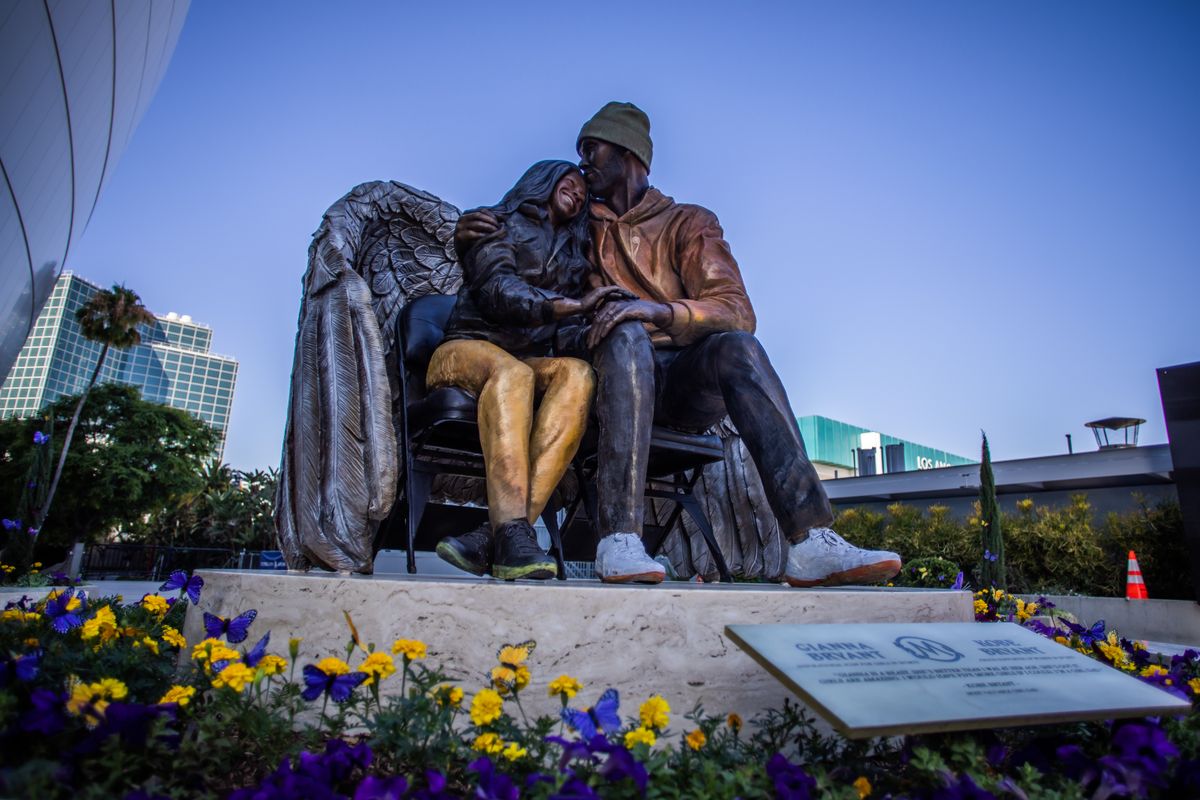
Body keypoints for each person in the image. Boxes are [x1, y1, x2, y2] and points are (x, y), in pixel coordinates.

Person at [456, 102, 902, 587]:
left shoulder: (688, 222)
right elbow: (522, 247)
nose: (582, 163)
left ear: (628, 153)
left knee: (739, 348)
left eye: (591, 149)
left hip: (681, 382)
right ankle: (619, 538)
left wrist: (658, 311)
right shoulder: (579, 225)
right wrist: (474, 233)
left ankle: (810, 539)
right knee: (623, 333)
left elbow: (736, 308)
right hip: (607, 377)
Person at [430, 160, 632, 580]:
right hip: (462, 350)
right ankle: (513, 534)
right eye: (568, 184)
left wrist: (610, 320)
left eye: (582, 193)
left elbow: (571, 328)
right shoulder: (496, 222)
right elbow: (499, 291)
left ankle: (499, 534)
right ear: (545, 180)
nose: (576, 194)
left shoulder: (574, 260)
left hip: (522, 359)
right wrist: (569, 306)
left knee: (577, 374)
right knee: (513, 375)